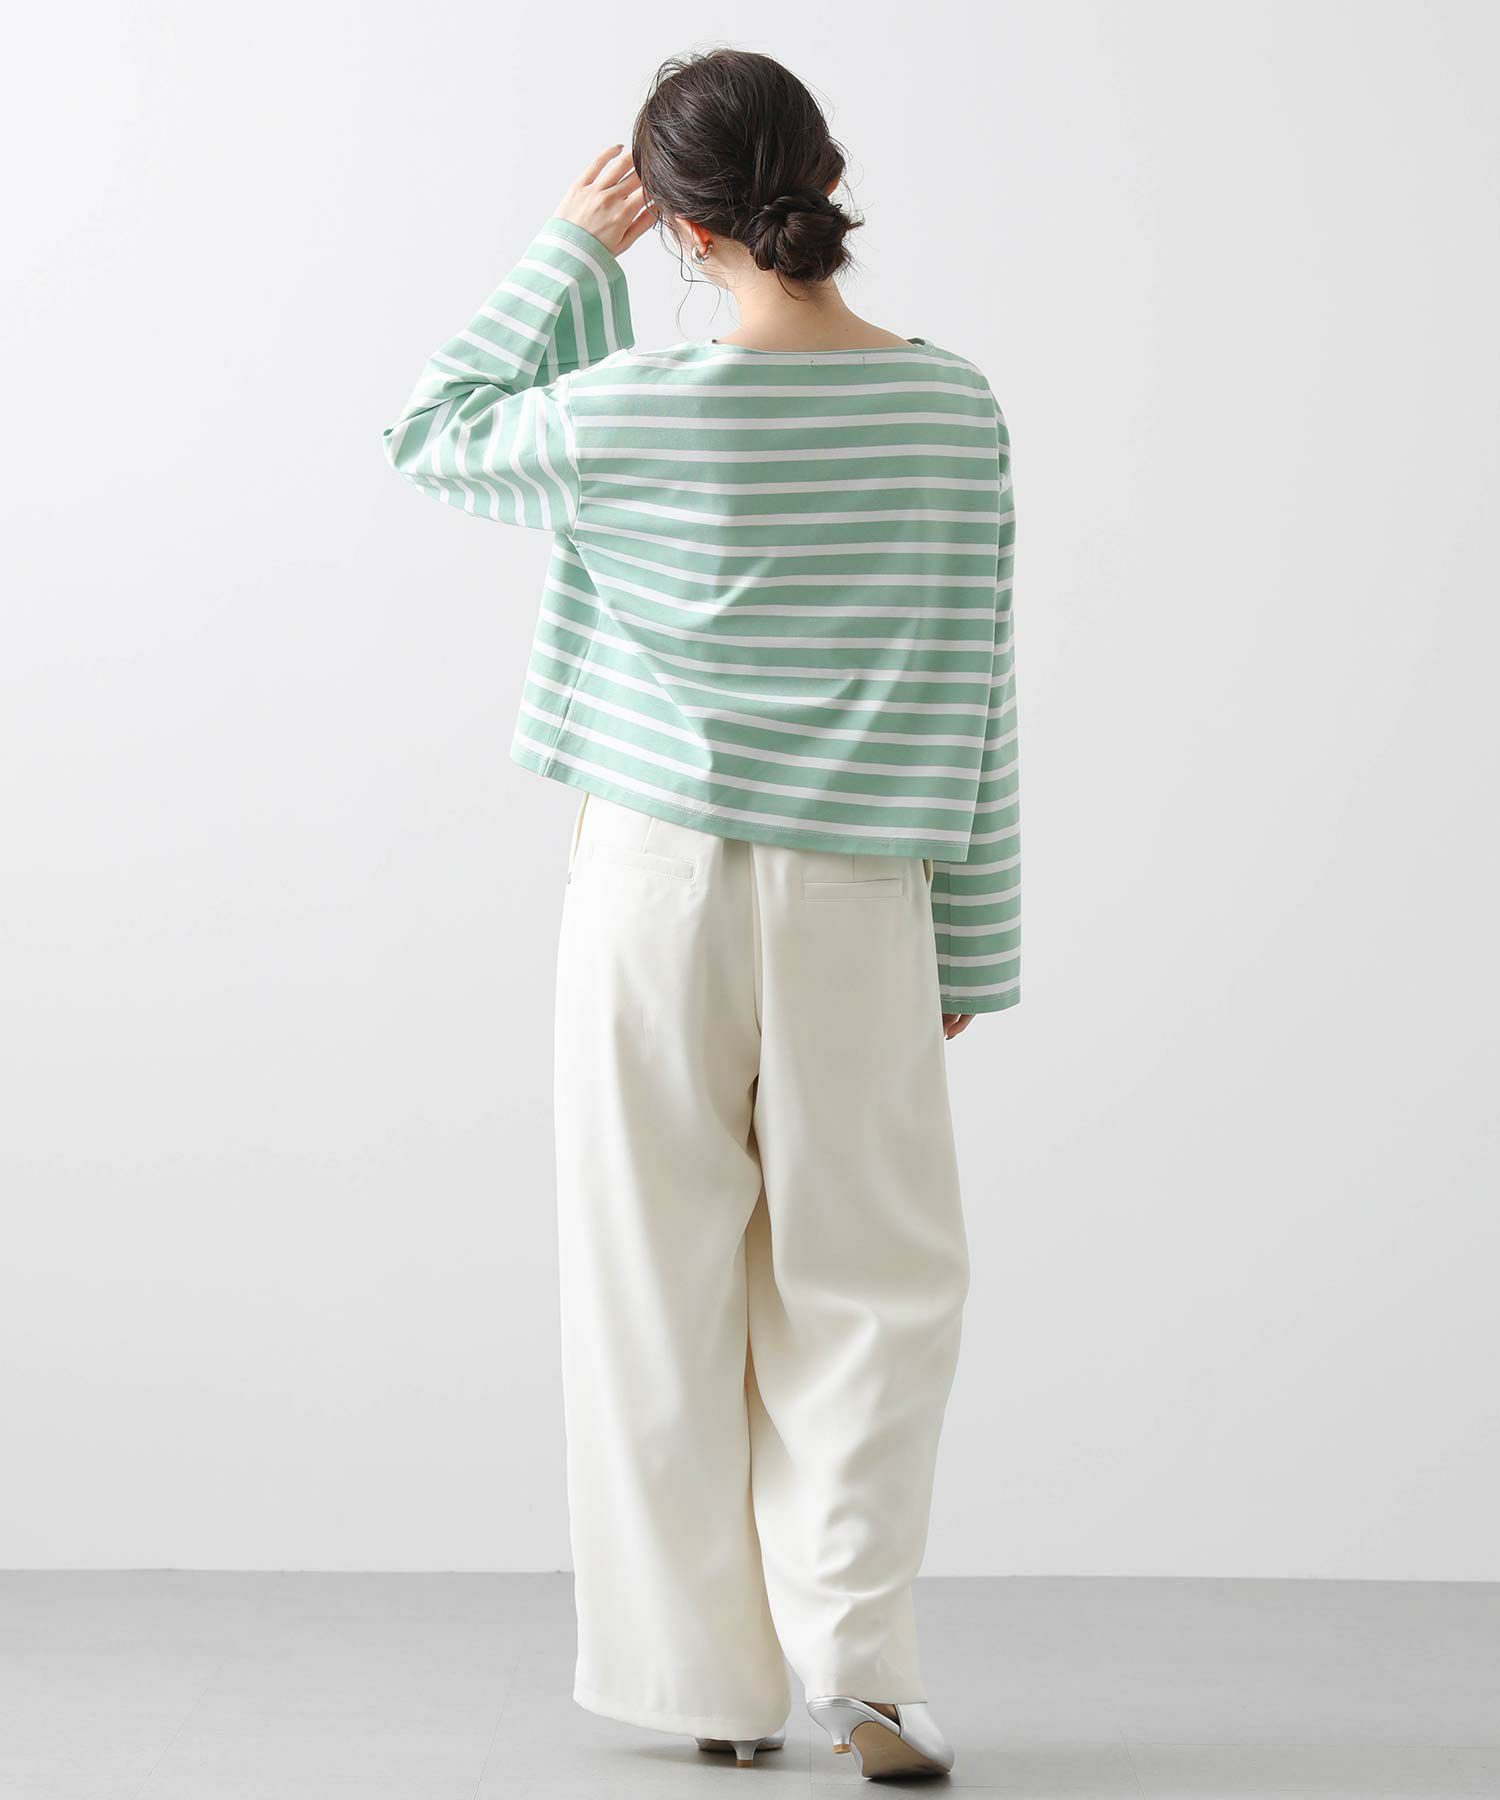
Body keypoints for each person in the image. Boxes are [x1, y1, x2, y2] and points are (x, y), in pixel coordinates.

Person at [383, 47, 1018, 1781]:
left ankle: (705, 1690)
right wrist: (974, 938)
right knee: (875, 1287)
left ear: (677, 222)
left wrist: (565, 251)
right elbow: (978, 685)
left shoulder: (633, 411)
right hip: (861, 892)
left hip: (651, 888)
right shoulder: (952, 410)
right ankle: (864, 1677)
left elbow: (429, 431)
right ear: (829, 175)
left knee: (651, 1283)